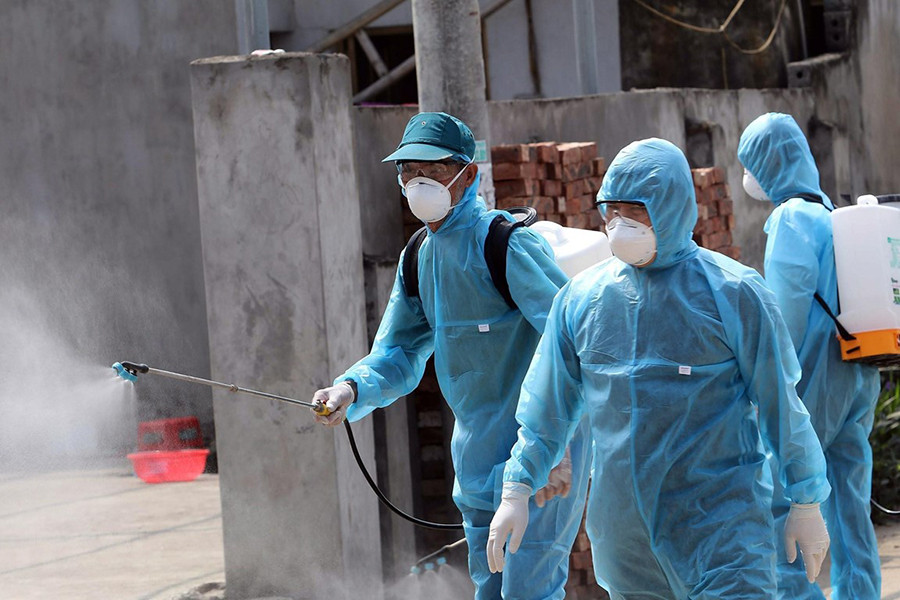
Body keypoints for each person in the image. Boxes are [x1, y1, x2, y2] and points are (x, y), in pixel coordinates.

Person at [486, 138, 832, 599]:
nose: (619, 224)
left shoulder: (734, 294)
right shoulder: (581, 300)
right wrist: (518, 486)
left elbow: (780, 407)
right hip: (625, 543)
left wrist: (805, 499)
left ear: (672, 207)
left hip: (721, 535)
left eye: (636, 210)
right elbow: (548, 408)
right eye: (611, 210)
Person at [310, 112, 591, 600]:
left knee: (530, 592)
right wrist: (350, 389)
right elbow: (398, 351)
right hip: (478, 459)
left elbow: (570, 343)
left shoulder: (506, 245)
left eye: (434, 171)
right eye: (408, 171)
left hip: (539, 450)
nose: (418, 183)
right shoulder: (419, 256)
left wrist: (557, 452)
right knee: (490, 589)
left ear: (467, 174)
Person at [738, 112, 882, 600]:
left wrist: (765, 385)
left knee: (788, 500)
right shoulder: (830, 212)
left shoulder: (791, 218)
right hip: (857, 372)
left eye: (750, 164)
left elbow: (784, 314)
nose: (748, 177)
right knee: (849, 504)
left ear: (768, 164)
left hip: (814, 379)